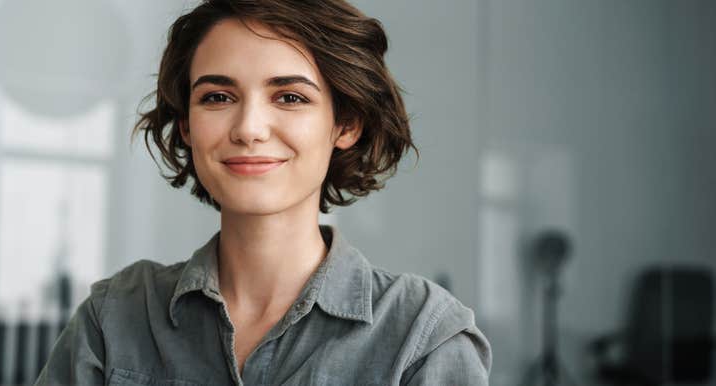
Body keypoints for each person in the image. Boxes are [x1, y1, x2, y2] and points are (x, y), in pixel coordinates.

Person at [35, 0, 491, 385]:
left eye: (290, 97)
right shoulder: (115, 318)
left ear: (345, 123)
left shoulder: (422, 335)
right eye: (217, 97)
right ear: (188, 126)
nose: (249, 129)